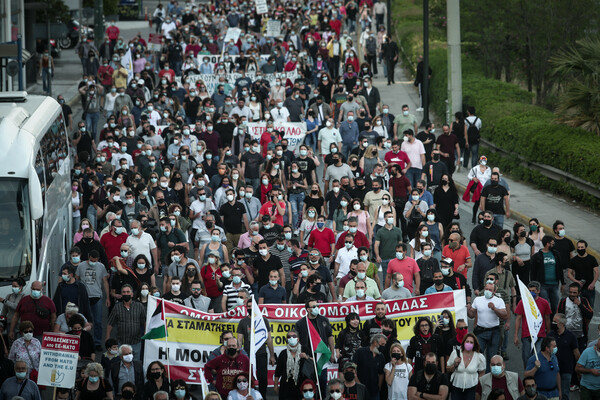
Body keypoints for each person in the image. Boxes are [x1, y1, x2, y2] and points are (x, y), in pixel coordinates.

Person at [236, 297, 276, 399]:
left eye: (252, 306)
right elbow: (239, 340)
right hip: (247, 354)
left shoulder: (264, 321)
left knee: (263, 378)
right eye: (248, 307)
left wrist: (272, 355)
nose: (250, 308)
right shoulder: (242, 322)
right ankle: (249, 396)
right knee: (248, 377)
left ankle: (262, 396)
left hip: (261, 353)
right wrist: (239, 354)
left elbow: (269, 339)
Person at [467, 282, 507, 372]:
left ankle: (490, 375)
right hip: (480, 331)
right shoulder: (478, 300)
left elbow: (505, 315)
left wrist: (495, 309)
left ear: (494, 291)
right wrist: (467, 309)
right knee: (477, 354)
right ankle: (478, 375)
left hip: (494, 332)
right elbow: (471, 315)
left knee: (492, 356)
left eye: (490, 290)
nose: (487, 291)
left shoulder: (499, 301)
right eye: (486, 289)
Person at [514, 281, 552, 368]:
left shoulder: (544, 303)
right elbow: (518, 318)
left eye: (534, 290)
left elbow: (547, 318)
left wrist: (548, 332)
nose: (532, 292)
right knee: (526, 356)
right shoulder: (523, 302)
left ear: (539, 291)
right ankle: (528, 374)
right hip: (527, 335)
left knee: (538, 356)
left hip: (540, 335)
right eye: (530, 290)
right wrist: (516, 335)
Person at [105, 284, 146, 358]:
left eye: (128, 292)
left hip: (136, 342)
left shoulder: (139, 306)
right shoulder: (117, 307)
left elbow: (145, 321)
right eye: (124, 292)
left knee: (136, 364)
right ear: (121, 294)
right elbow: (110, 323)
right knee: (121, 364)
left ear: (132, 294)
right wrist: (107, 337)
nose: (126, 294)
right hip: (121, 342)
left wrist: (146, 332)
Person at [548, 313, 580, 400]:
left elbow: (576, 352)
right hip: (553, 369)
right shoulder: (550, 335)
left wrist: (579, 366)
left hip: (566, 370)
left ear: (561, 324)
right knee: (554, 392)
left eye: (555, 321)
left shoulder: (571, 336)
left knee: (565, 393)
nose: (552, 323)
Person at [446, 333, 486, 400]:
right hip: (456, 386)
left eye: (471, 342)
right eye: (467, 341)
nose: (469, 344)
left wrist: (478, 384)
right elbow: (448, 369)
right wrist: (455, 365)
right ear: (463, 342)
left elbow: (482, 372)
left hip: (472, 387)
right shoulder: (455, 353)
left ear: (474, 344)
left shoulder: (479, 356)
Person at [557, 283, 593, 355]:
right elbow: (558, 316)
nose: (572, 294)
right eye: (570, 292)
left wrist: (579, 304)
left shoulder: (583, 301)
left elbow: (590, 314)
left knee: (580, 356)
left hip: (581, 336)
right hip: (566, 335)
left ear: (579, 293)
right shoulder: (563, 301)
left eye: (574, 292)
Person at [530, 235, 564, 313]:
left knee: (555, 306)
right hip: (543, 285)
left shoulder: (556, 254)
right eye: (552, 243)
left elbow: (559, 268)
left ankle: (553, 323)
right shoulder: (537, 256)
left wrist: (563, 282)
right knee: (545, 306)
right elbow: (533, 272)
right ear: (547, 244)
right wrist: (533, 285)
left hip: (555, 285)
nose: (554, 244)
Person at [274, 329, 304, 400]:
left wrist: (306, 357)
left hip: (301, 385)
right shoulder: (283, 353)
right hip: (285, 386)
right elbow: (278, 371)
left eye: (294, 336)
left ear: (298, 339)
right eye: (289, 337)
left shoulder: (304, 350)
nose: (291, 338)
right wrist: (275, 385)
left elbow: (312, 364)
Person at [568, 240, 599, 308]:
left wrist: (593, 284)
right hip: (578, 290)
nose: (580, 249)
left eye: (582, 247)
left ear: (586, 248)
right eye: (578, 247)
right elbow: (569, 273)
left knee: (590, 309)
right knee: (578, 308)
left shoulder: (592, 259)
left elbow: (597, 272)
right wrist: (576, 281)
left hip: (590, 288)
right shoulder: (573, 260)